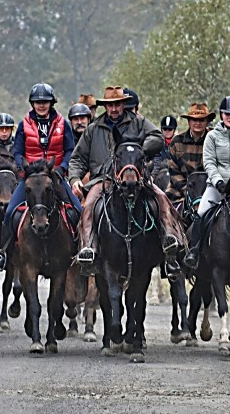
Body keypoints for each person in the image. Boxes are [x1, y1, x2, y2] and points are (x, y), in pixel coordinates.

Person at [68, 86, 185, 276]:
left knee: (162, 197)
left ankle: (171, 240)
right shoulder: (93, 128)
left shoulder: (138, 122)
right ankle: (88, 249)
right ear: (105, 106)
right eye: (110, 105)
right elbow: (77, 158)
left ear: (124, 104)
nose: (114, 109)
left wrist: (137, 151)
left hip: (135, 177)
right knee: (88, 205)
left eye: (118, 104)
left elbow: (157, 138)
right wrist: (74, 179)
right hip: (102, 179)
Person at [0, 83, 82, 271]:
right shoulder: (24, 124)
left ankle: (79, 252)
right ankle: (3, 254)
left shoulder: (63, 124)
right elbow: (17, 151)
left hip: (54, 175)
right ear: (32, 103)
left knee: (78, 210)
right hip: (30, 177)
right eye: (38, 102)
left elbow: (70, 150)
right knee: (9, 213)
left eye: (45, 102)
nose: (41, 105)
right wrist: (25, 169)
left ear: (51, 103)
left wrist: (61, 168)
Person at [184, 96, 230, 270]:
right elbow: (209, 162)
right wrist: (218, 182)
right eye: (226, 114)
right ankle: (194, 251)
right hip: (217, 186)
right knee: (201, 213)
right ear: (221, 115)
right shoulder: (212, 136)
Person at [164, 103, 215, 203]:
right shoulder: (177, 141)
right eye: (194, 119)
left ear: (207, 122)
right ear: (188, 121)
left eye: (201, 120)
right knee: (163, 210)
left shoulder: (215, 139)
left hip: (209, 188)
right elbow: (174, 171)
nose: (198, 123)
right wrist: (187, 190)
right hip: (180, 190)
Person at [151, 114, 178, 183]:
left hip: (176, 174)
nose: (167, 131)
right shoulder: (156, 143)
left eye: (170, 129)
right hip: (160, 174)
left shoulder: (179, 143)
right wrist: (153, 176)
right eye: (165, 129)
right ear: (161, 129)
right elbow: (156, 161)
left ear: (174, 130)